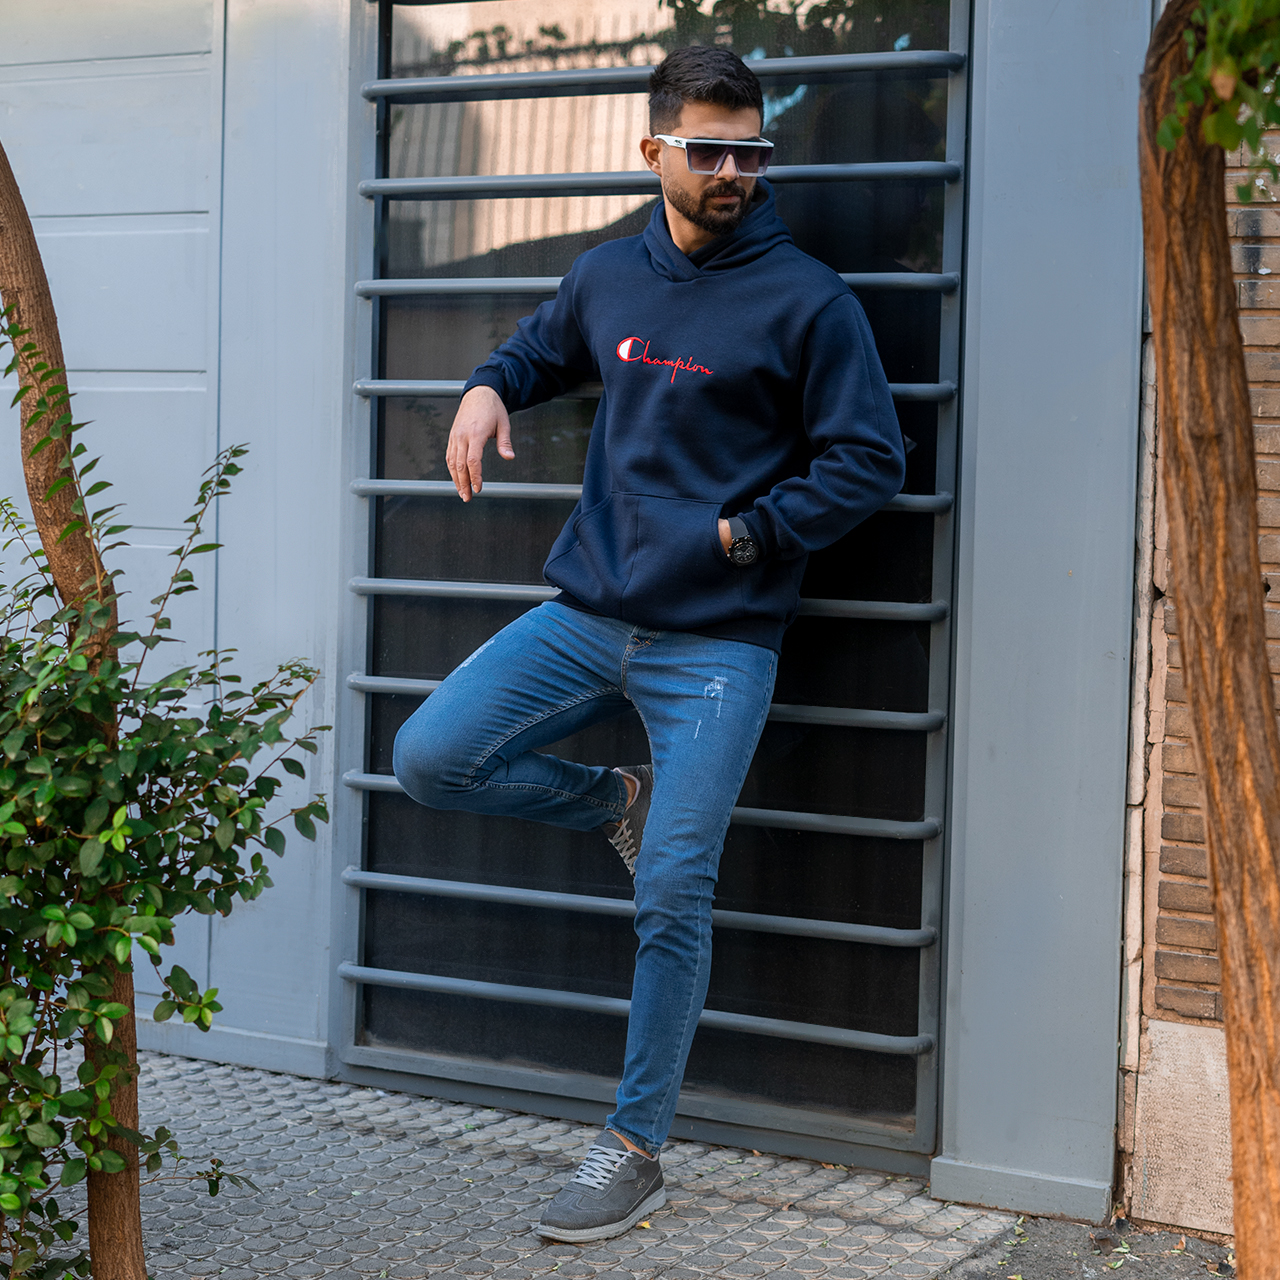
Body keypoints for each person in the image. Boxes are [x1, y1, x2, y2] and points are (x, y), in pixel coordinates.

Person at [392, 45, 905, 1244]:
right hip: (588, 615)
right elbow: (538, 348)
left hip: (717, 641)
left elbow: (869, 458)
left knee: (674, 886)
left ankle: (631, 1144)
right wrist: (486, 387)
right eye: (707, 150)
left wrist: (744, 534)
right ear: (654, 151)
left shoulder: (808, 300)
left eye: (749, 152)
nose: (732, 172)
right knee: (429, 755)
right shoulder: (607, 275)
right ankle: (614, 797)